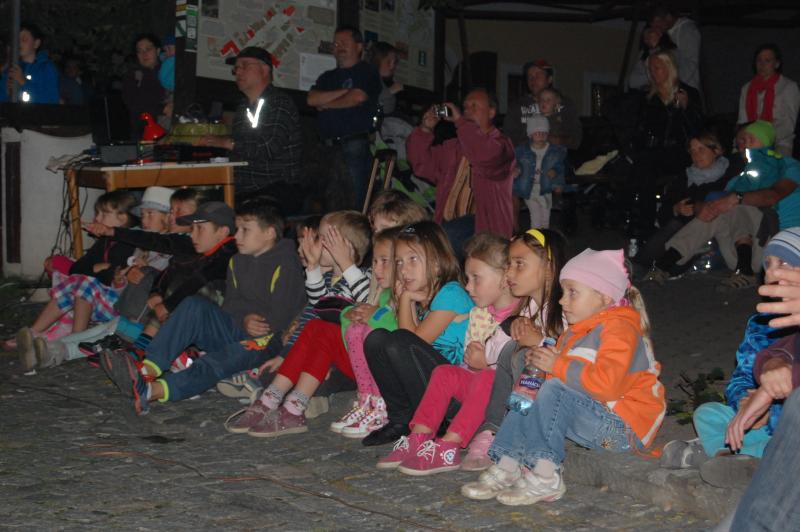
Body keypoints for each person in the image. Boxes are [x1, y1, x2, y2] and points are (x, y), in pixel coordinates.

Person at [461, 249, 665, 506]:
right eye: (563, 292)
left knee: (553, 387)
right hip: (596, 416)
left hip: (624, 430)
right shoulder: (577, 331)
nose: (561, 301)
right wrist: (540, 364)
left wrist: (556, 364)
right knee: (530, 385)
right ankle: (509, 462)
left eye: (572, 292)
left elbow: (607, 386)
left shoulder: (621, 330)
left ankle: (546, 474)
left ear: (604, 296)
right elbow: (565, 380)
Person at [101, 200, 306, 414]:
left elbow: (282, 320)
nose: (237, 236)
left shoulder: (286, 264)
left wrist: (250, 323)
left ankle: (153, 391)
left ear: (269, 233)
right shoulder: (237, 261)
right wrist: (243, 319)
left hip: (270, 340)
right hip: (240, 328)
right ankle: (147, 370)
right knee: (193, 306)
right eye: (237, 229)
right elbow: (230, 305)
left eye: (245, 230)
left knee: (220, 359)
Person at [661, 229, 800, 485]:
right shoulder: (762, 324)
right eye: (767, 264)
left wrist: (772, 407)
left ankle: (729, 456)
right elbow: (742, 376)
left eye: (783, 263)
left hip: (790, 427)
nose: (771, 273)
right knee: (707, 413)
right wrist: (744, 403)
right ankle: (732, 457)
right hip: (760, 427)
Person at [221, 210, 373, 436]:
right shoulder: (328, 279)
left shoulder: (365, 276)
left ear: (345, 246)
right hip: (327, 355)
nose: (314, 245)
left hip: (357, 363)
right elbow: (317, 311)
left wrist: (345, 261)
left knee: (321, 329)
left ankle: (294, 407)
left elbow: (363, 299)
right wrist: (312, 268)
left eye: (322, 239)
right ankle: (270, 400)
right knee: (294, 351)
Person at [375, 233, 516, 475]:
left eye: (476, 278)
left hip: (504, 396)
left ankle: (449, 445)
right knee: (445, 372)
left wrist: (487, 363)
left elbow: (520, 364)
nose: (468, 287)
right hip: (475, 389)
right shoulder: (480, 313)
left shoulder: (522, 314)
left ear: (504, 278)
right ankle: (419, 437)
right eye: (467, 279)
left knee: (486, 377)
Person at [646, 121, 800, 289]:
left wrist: (736, 198)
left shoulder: (789, 166)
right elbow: (717, 203)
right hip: (742, 255)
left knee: (736, 204)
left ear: (763, 139)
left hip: (783, 248)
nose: (742, 145)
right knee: (721, 208)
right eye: (739, 142)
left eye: (747, 139)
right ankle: (662, 266)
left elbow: (773, 195)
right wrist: (701, 207)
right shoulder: (739, 178)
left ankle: (744, 271)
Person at [361, 222, 475, 446]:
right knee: (376, 340)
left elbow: (411, 342)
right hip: (431, 385)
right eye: (399, 262)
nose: (404, 270)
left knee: (397, 342)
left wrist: (404, 299)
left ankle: (437, 421)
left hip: (454, 395)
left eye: (412, 259)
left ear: (436, 262)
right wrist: (408, 300)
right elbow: (406, 340)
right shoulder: (424, 296)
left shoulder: (451, 292)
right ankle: (401, 419)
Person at [464, 228, 568, 471]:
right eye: (509, 264)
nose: (509, 273)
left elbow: (571, 363)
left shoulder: (565, 310)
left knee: (522, 354)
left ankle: (523, 442)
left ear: (549, 268)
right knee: (513, 349)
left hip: (558, 402)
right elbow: (493, 355)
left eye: (519, 264)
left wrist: (538, 341)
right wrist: (512, 329)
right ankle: (493, 429)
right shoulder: (527, 309)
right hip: (529, 398)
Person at [16, 191, 137, 370]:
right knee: (78, 280)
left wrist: (100, 270)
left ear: (123, 219)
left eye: (103, 214)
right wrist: (98, 268)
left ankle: (75, 338)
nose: (97, 218)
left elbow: (112, 275)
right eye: (97, 213)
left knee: (85, 283)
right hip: (101, 299)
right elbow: (77, 268)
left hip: (118, 305)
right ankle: (34, 332)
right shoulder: (104, 241)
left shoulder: (129, 243)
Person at [407, 88, 515, 249]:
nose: (467, 111)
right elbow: (422, 164)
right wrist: (425, 129)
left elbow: (484, 155)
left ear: (491, 112)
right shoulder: (453, 148)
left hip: (484, 228)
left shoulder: (501, 145)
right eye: (465, 107)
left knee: (443, 239)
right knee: (413, 235)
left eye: (474, 106)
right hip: (448, 223)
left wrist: (460, 122)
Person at [202, 47, 304, 212]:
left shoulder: (279, 102)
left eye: (245, 66)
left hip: (274, 186)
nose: (238, 72)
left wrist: (227, 143)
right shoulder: (243, 106)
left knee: (218, 211)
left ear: (265, 70)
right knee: (201, 202)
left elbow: (268, 147)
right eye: (236, 68)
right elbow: (239, 150)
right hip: (244, 187)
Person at [634, 131, 743, 269]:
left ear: (716, 151)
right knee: (674, 225)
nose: (696, 155)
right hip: (685, 231)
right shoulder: (685, 178)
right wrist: (676, 209)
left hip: (718, 229)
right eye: (692, 151)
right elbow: (663, 214)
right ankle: (641, 264)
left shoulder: (731, 173)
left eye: (701, 149)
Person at [629, 50, 704, 236]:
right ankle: (644, 225)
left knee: (647, 166)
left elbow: (699, 130)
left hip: (680, 152)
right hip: (653, 152)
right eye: (651, 69)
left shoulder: (688, 93)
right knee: (642, 167)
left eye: (658, 68)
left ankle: (651, 222)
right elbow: (638, 128)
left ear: (669, 68)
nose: (653, 72)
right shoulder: (647, 97)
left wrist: (685, 108)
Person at [308, 26, 382, 210]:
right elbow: (312, 99)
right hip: (325, 149)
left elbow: (357, 97)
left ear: (359, 46)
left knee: (351, 206)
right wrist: (344, 92)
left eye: (344, 43)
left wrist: (327, 104)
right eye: (336, 43)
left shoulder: (367, 71)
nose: (339, 47)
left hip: (353, 145)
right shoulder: (327, 77)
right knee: (323, 205)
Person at [503, 60, 582, 149]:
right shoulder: (517, 106)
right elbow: (507, 140)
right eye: (530, 76)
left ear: (549, 79)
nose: (533, 79)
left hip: (556, 155)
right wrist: (533, 142)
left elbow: (576, 139)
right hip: (525, 155)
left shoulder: (564, 103)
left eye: (538, 75)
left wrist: (555, 140)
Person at [738, 44, 800, 157]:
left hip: (779, 142)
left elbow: (788, 125)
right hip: (749, 142)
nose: (762, 65)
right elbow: (742, 121)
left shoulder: (789, 87)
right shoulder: (746, 88)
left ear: (776, 64)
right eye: (759, 60)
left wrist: (764, 137)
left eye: (767, 61)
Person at [513, 115, 567, 229]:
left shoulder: (553, 151)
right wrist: (517, 170)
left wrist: (556, 173)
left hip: (545, 189)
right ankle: (535, 238)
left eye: (543, 133)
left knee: (545, 218)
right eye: (537, 133)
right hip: (530, 188)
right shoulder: (523, 151)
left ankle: (544, 237)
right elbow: (517, 163)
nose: (540, 135)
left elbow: (560, 166)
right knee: (535, 217)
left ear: (547, 134)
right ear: (530, 134)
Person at [0, 22, 59, 104]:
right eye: (17, 40)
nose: (19, 43)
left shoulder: (46, 68)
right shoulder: (12, 69)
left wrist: (24, 82)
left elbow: (51, 100)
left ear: (36, 43)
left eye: (24, 39)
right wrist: (6, 91)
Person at [122, 33, 166, 139]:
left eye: (148, 49)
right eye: (139, 51)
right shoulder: (133, 76)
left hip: (168, 130)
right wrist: (163, 109)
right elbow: (133, 103)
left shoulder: (168, 72)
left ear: (158, 51)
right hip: (143, 134)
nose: (144, 54)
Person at [649, 3, 701, 91]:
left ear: (669, 17)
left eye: (658, 24)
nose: (656, 28)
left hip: (687, 88)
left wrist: (674, 86)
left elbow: (691, 65)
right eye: (653, 26)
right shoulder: (665, 34)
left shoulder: (688, 31)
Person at [628, 25, 677, 92]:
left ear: (659, 33)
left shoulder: (672, 52)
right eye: (644, 37)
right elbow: (632, 82)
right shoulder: (644, 54)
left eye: (649, 33)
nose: (646, 38)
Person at [367, 41, 403, 117]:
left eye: (394, 62)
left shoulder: (384, 82)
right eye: (389, 62)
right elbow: (367, 100)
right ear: (377, 60)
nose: (392, 66)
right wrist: (390, 91)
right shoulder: (365, 76)